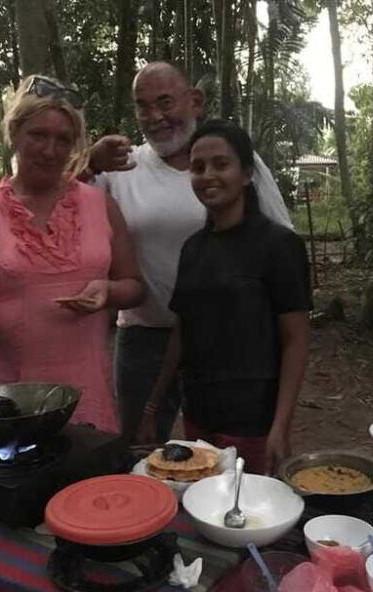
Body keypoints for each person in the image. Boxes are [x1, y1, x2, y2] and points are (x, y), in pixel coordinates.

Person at [0, 75, 144, 433]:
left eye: (63, 139)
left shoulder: (101, 204)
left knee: (86, 483)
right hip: (10, 396)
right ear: (14, 133)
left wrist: (108, 292)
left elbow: (134, 285)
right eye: (38, 135)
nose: (50, 150)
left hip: (87, 389)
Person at [89, 61, 293, 444]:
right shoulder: (118, 167)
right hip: (144, 336)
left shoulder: (235, 163)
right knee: (138, 447)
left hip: (228, 338)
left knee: (225, 450)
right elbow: (59, 200)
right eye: (143, 106)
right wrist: (87, 161)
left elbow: (278, 242)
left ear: (195, 101)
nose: (155, 117)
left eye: (165, 102)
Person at [137, 119, 311, 474]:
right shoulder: (193, 249)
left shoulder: (278, 245)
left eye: (221, 164)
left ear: (246, 174)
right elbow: (182, 332)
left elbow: (296, 341)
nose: (207, 175)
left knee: (247, 517)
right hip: (199, 414)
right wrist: (153, 407)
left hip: (253, 419)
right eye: (198, 167)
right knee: (201, 503)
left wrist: (281, 426)